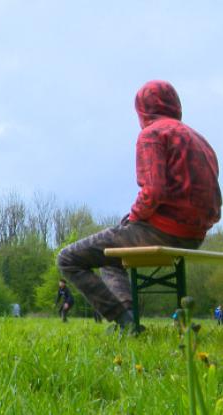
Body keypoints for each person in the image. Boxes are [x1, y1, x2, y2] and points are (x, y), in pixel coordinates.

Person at [57, 80, 221, 333]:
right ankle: (129, 318)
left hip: (160, 231)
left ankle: (125, 322)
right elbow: (216, 199)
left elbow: (153, 191)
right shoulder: (201, 141)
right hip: (195, 236)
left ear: (142, 109)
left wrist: (133, 217)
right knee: (112, 260)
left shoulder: (153, 134)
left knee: (68, 258)